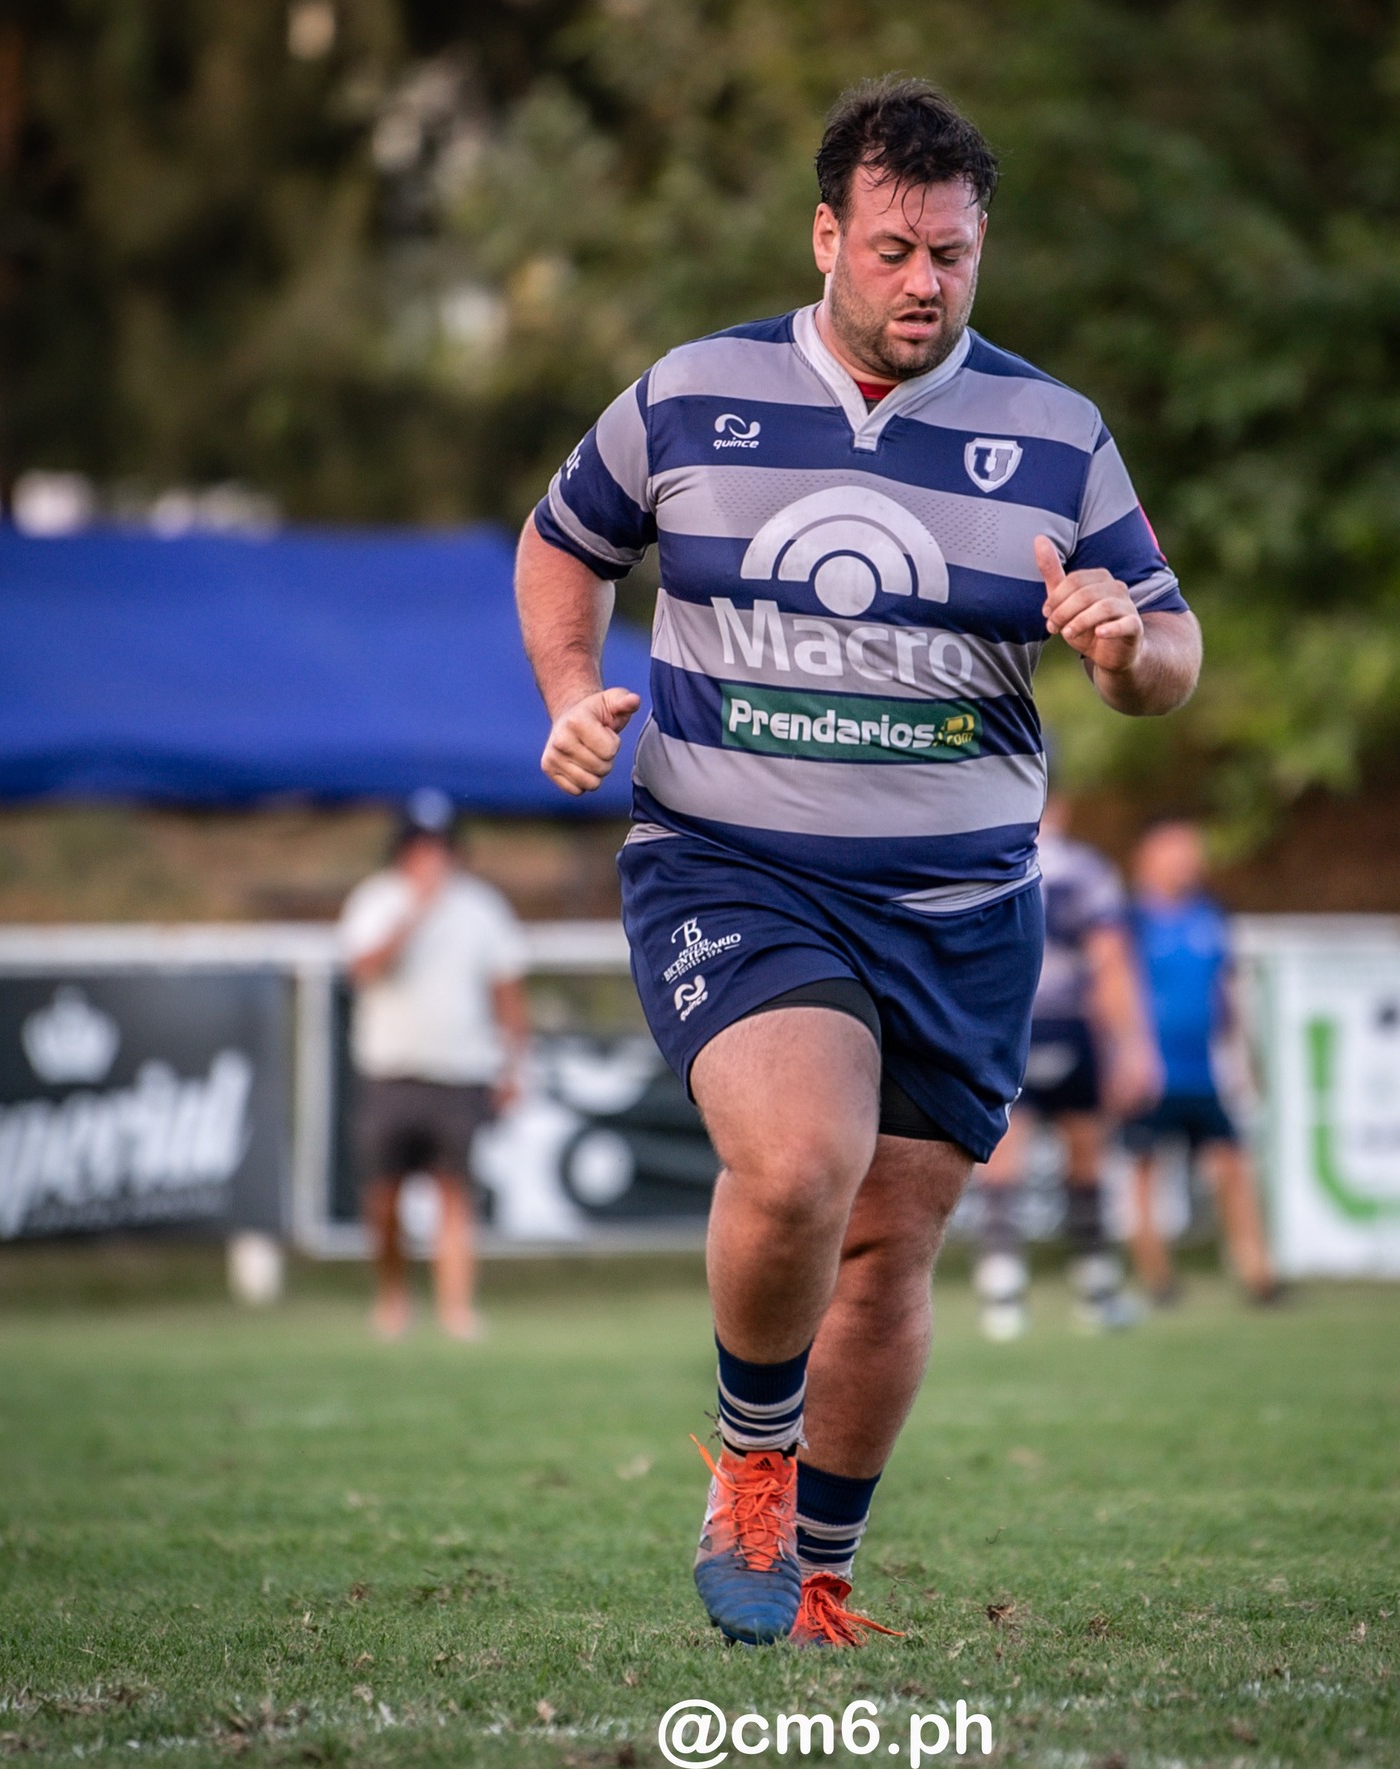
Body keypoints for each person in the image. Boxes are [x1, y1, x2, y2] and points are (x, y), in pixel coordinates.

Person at [515, 77, 1202, 1647]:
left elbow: (1172, 652)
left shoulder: (1055, 431)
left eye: (953, 254)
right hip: (732, 866)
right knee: (798, 1163)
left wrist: (1122, 649)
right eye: (894, 249)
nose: (925, 282)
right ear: (825, 238)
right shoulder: (693, 394)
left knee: (891, 1252)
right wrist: (568, 693)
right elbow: (564, 539)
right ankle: (752, 1463)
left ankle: (817, 1572)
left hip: (961, 910)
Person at [338, 788, 530, 1341]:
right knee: (384, 1197)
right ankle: (392, 1299)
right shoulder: (375, 900)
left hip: (460, 1072)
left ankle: (455, 1309)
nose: (431, 857)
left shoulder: (483, 907)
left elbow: (507, 994)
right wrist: (414, 913)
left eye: (440, 845)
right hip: (391, 1072)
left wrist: (514, 1067)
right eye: (420, 845)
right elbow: (362, 969)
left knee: (454, 1192)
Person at [972, 794, 1159, 1339]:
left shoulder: (981, 856)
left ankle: (1002, 1295)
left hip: (1006, 1022)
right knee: (1086, 1154)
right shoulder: (1084, 868)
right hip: (1069, 1023)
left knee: (1002, 1157)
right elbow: (1109, 958)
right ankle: (1095, 1290)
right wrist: (1130, 1045)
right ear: (1062, 804)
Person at [1122, 819, 1281, 1306]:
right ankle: (1157, 1280)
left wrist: (1240, 1056)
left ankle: (1258, 1275)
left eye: (1191, 852)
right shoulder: (1130, 920)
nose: (1185, 861)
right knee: (1145, 1172)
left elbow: (1226, 992)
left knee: (1233, 1167)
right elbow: (1115, 990)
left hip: (1204, 1072)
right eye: (1174, 851)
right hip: (1151, 1073)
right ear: (1147, 857)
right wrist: (1127, 1054)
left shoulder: (1211, 916)